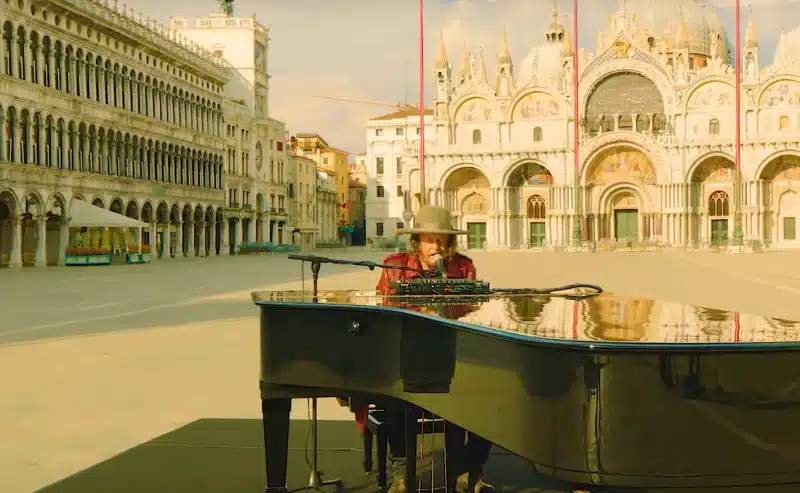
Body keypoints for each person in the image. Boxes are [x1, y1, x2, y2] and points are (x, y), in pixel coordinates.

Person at [374, 205, 494, 493]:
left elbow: (474, 312)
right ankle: (401, 474)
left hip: (453, 356)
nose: (435, 245)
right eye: (429, 239)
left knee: (490, 395)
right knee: (394, 393)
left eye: (441, 239)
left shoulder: (463, 267)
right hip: (406, 357)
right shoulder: (394, 266)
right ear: (416, 242)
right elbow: (383, 312)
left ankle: (470, 468)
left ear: (450, 244)